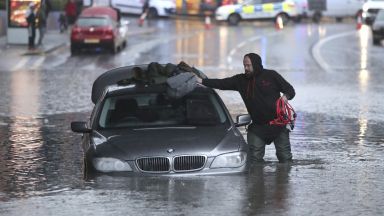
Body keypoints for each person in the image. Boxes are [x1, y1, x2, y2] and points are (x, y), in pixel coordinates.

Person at [196, 53, 296, 163]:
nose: (246, 68)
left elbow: (290, 90)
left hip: (278, 124)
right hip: (258, 127)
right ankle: (256, 179)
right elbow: (221, 83)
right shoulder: (240, 80)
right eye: (244, 65)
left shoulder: (271, 75)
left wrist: (286, 96)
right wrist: (202, 81)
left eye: (248, 65)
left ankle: (284, 178)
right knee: (253, 160)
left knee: (285, 158)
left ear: (256, 64)